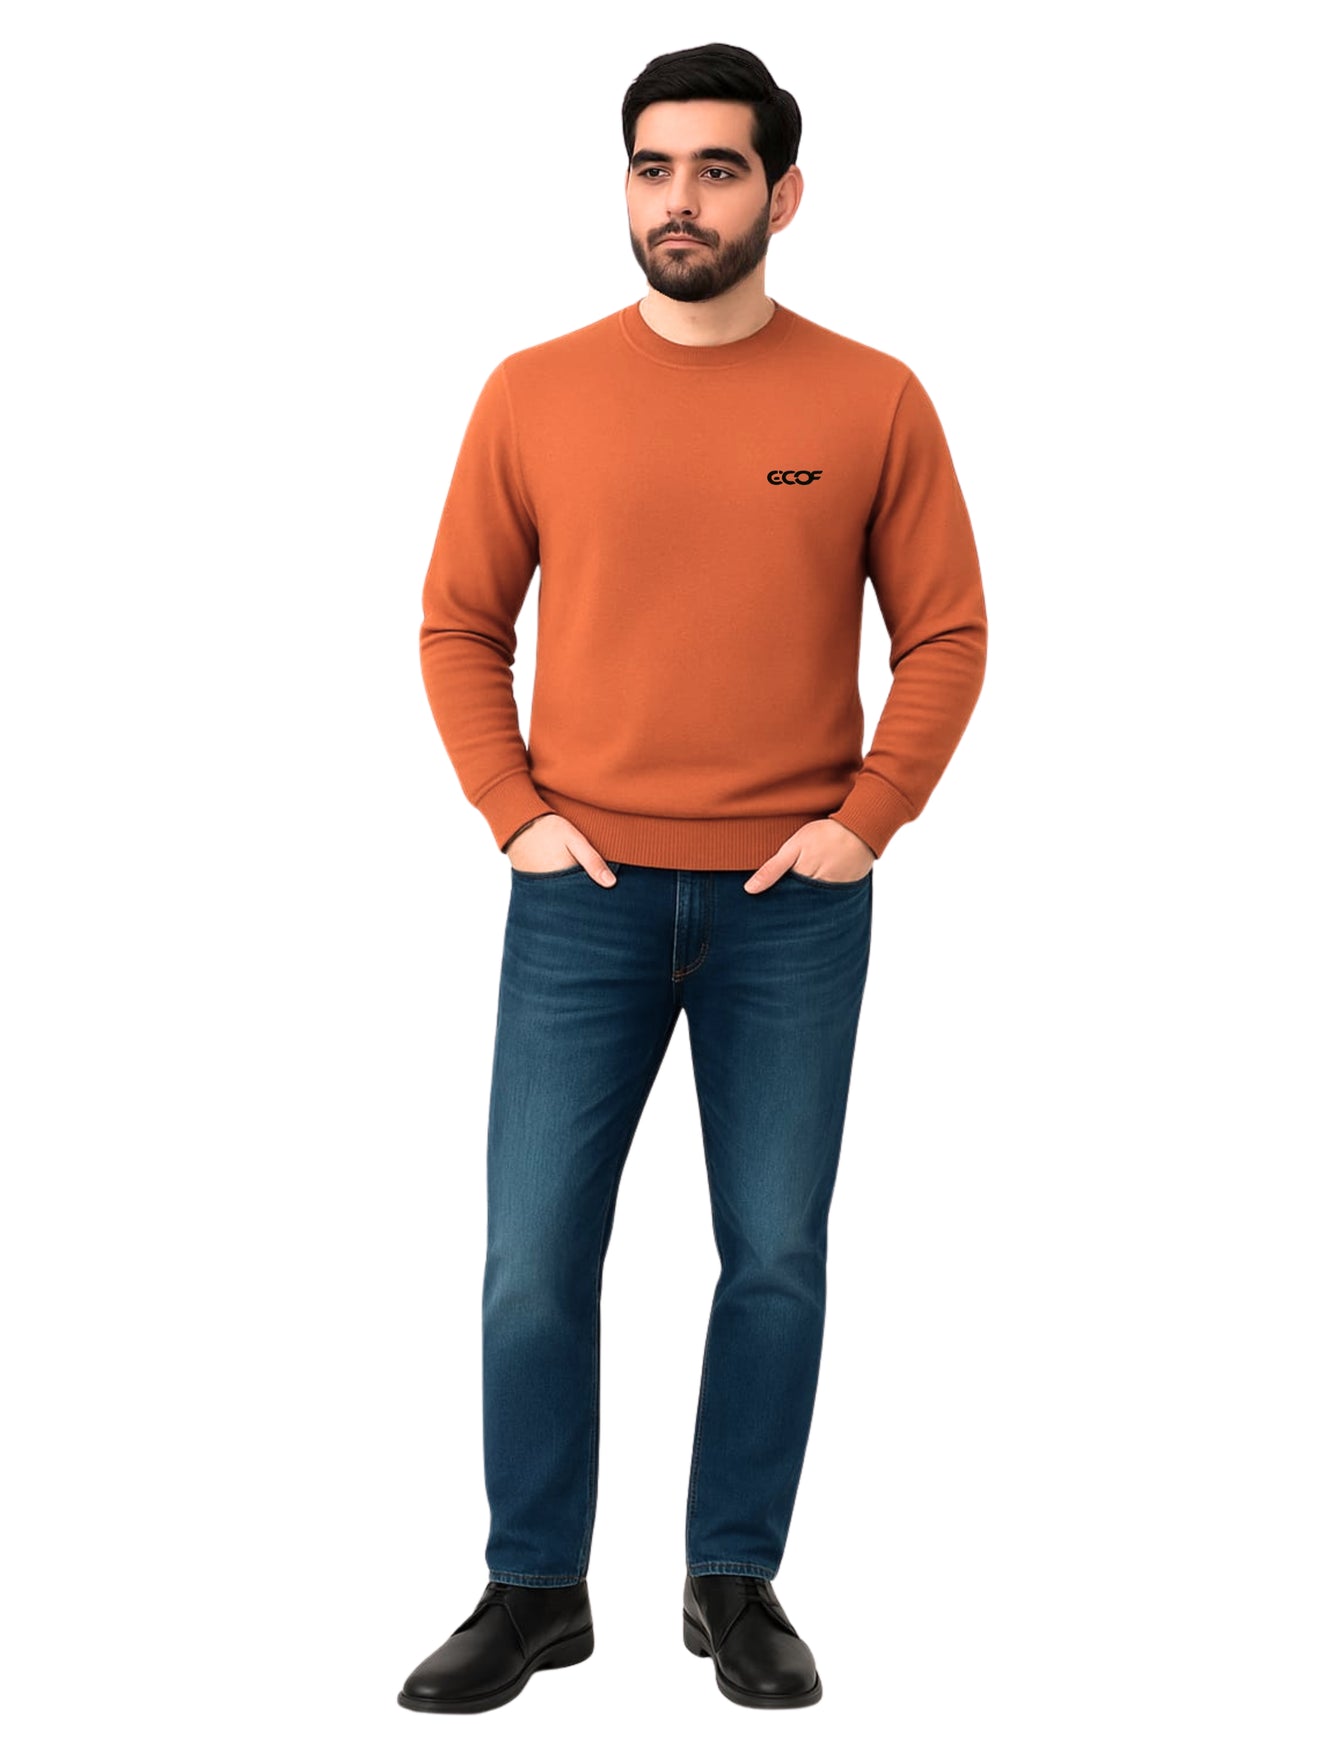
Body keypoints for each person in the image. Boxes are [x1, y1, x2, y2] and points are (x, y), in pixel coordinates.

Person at [398, 41, 987, 1714]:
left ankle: (733, 1578)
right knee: (532, 1258)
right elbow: (458, 622)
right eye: (654, 167)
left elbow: (946, 630)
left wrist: (869, 817)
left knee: (775, 1252)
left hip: (792, 905)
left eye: (718, 170)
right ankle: (534, 1587)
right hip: (577, 897)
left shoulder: (873, 398)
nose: (681, 200)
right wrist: (513, 811)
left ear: (782, 196)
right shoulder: (534, 391)